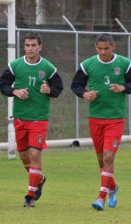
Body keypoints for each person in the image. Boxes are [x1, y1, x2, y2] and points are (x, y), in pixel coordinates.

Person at [0, 32, 63, 207]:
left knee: (35, 154)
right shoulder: (15, 66)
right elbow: (2, 84)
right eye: (27, 45)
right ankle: (39, 178)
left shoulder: (48, 67)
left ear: (40, 46)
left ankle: (30, 195)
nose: (30, 48)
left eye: (34, 45)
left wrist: (49, 90)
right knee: (24, 156)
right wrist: (14, 91)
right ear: (24, 46)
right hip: (20, 117)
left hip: (39, 118)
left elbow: (58, 87)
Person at [71, 33, 131, 210]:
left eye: (107, 48)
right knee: (100, 159)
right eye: (100, 48)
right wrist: (85, 94)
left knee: (108, 156)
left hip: (116, 118)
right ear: (96, 48)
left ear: (113, 47)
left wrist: (123, 88)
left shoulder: (125, 64)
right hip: (96, 118)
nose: (103, 52)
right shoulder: (87, 65)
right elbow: (76, 86)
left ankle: (100, 198)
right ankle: (112, 187)